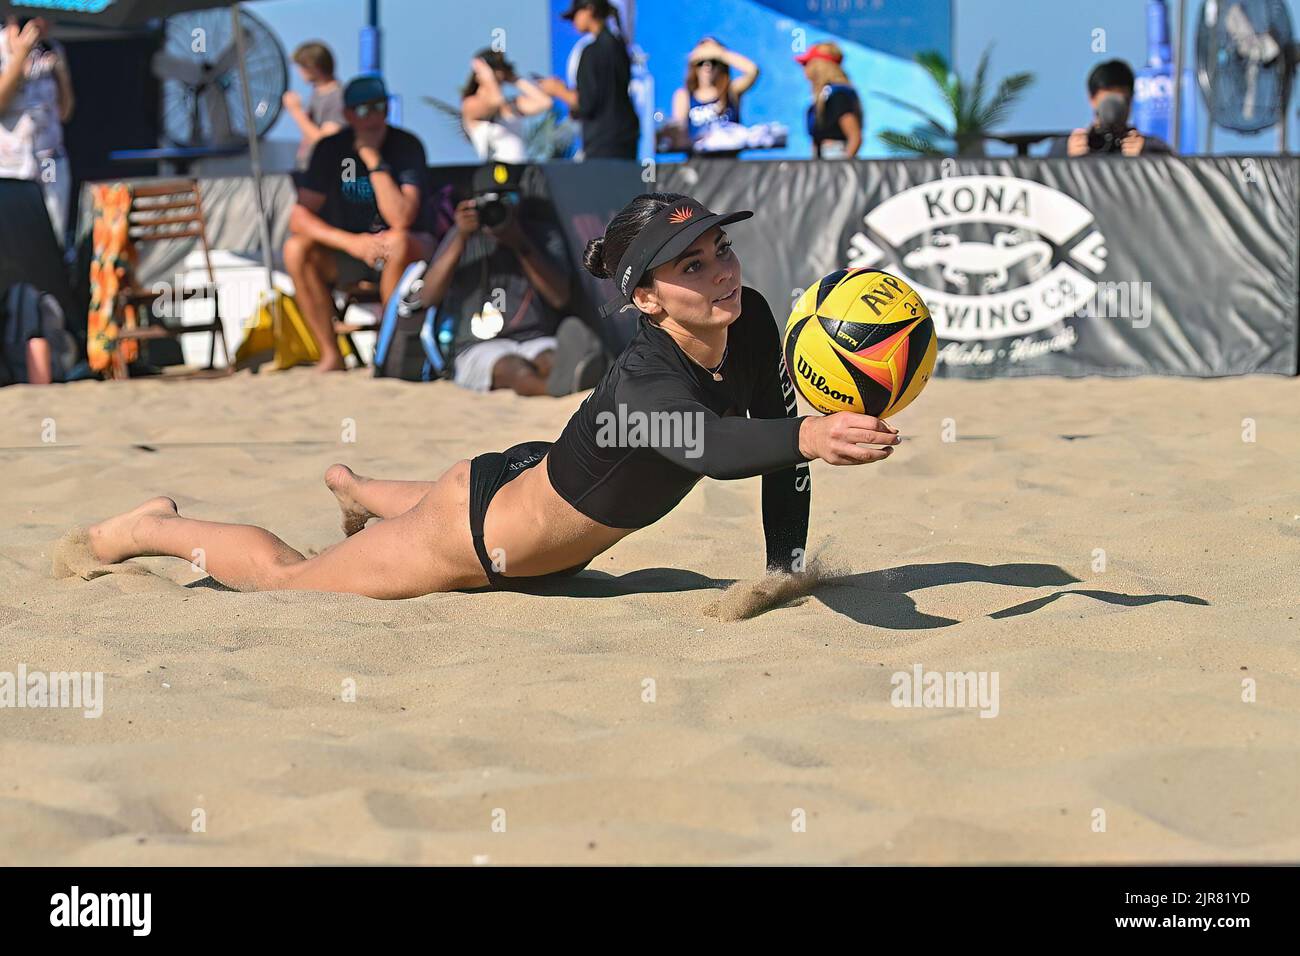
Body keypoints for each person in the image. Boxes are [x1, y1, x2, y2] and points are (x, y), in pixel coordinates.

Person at [82, 192, 902, 598]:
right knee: (289, 584)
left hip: (533, 476)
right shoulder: (646, 378)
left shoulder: (751, 319)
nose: (723, 271)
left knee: (522, 481)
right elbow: (713, 449)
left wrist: (784, 572)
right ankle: (150, 527)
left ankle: (357, 488)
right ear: (645, 298)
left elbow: (778, 446)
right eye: (692, 265)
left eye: (720, 249)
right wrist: (809, 438)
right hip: (474, 537)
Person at [284, 74, 437, 372]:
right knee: (295, 250)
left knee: (397, 241)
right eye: (364, 110)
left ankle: (388, 350)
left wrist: (373, 159)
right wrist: (353, 243)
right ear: (347, 115)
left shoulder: (406, 146)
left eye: (380, 106)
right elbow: (299, 218)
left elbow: (402, 218)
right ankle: (330, 354)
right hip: (353, 251)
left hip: (409, 252)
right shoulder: (330, 149)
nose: (374, 116)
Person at [413, 162, 572, 396]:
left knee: (555, 363)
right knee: (516, 371)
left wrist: (521, 244)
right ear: (473, 204)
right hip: (477, 345)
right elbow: (427, 297)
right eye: (489, 202)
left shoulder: (540, 234)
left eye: (509, 201)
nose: (498, 210)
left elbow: (560, 298)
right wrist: (460, 236)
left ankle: (568, 398)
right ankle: (561, 402)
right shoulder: (460, 237)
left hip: (536, 337)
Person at [0, 16, 74, 244]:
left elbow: (66, 112)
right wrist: (21, 54)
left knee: (52, 243)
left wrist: (61, 74)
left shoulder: (52, 48)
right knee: (13, 246)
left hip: (51, 165)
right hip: (10, 168)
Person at [538, 0, 639, 160]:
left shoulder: (591, 52)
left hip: (602, 142)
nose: (573, 21)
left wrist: (558, 90)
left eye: (575, 15)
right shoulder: (618, 45)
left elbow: (587, 104)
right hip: (625, 138)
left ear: (589, 10)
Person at [1049, 59, 1171, 158]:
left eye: (1121, 101)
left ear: (1131, 101)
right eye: (1107, 102)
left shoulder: (1152, 148)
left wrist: (1147, 160)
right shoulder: (1066, 147)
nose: (1113, 110)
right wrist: (1067, 162)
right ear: (1092, 99)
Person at [460, 49, 553, 163]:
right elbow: (495, 101)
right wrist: (488, 76)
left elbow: (545, 102)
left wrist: (515, 79)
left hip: (521, 172)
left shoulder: (510, 106)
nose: (499, 75)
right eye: (495, 70)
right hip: (497, 173)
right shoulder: (470, 104)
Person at [670, 37, 759, 150]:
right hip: (697, 163)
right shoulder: (684, 95)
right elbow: (678, 130)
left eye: (713, 62)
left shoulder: (731, 90)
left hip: (730, 163)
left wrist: (719, 53)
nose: (708, 66)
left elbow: (752, 70)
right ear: (694, 67)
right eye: (701, 62)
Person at [283, 41, 345, 171]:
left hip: (327, 174)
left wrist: (296, 111)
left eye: (302, 67)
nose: (300, 72)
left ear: (313, 67)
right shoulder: (315, 95)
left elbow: (325, 142)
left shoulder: (338, 97)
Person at [797, 42, 862, 159]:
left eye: (807, 64)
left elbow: (855, 136)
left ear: (819, 66)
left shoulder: (838, 95)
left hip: (836, 155)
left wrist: (843, 166)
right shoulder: (822, 97)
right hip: (822, 157)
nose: (804, 69)